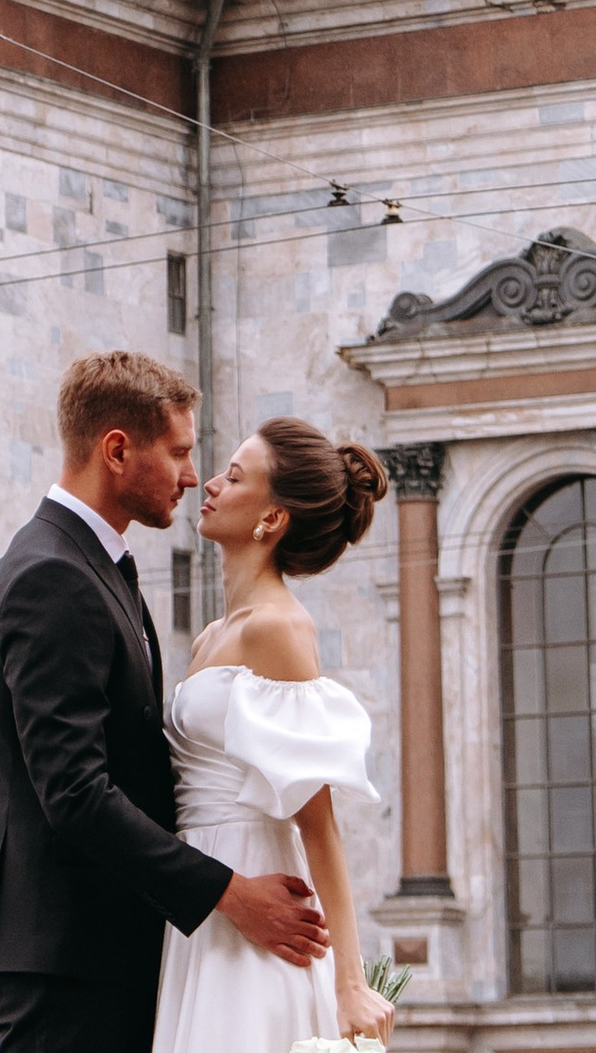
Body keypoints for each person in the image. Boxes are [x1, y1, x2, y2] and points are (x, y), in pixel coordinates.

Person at [0, 352, 330, 1053]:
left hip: (100, 947)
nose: (194, 477)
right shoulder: (52, 575)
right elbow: (74, 791)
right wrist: (230, 892)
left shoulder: (98, 566)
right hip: (66, 953)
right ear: (118, 450)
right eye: (180, 452)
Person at [151, 418, 392, 1051]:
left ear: (272, 518)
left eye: (234, 477)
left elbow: (319, 823)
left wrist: (348, 983)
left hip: (260, 894)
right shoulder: (211, 636)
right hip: (205, 899)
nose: (210, 483)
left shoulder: (279, 629)